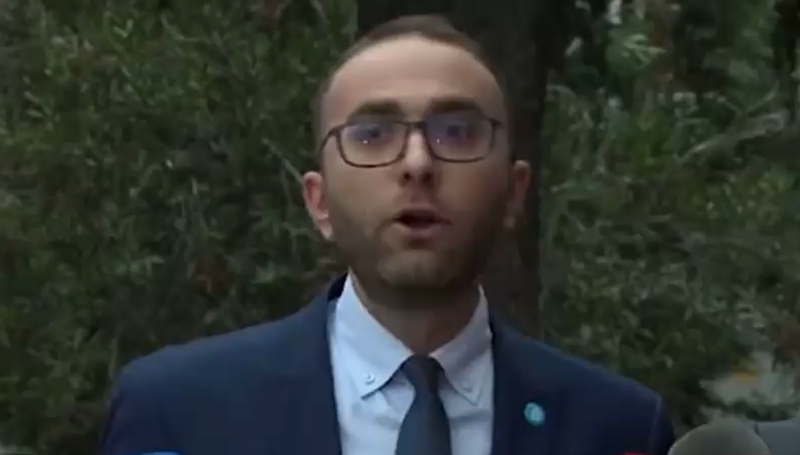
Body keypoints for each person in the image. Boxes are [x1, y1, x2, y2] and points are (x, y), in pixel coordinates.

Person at [99, 14, 675, 455]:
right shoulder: (176, 412)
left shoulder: (619, 428)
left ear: (514, 194)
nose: (418, 163)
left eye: (458, 131)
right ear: (319, 202)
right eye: (373, 134)